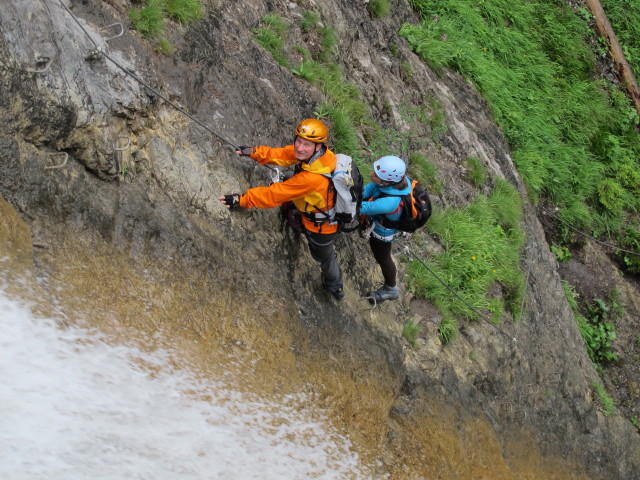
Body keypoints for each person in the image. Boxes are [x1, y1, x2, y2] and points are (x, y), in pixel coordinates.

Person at [219, 119, 345, 301]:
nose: (300, 148)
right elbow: (284, 154)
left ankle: (336, 288)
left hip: (322, 228)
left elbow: (275, 194)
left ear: (318, 146)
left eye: (306, 144)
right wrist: (254, 152)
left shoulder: (313, 177)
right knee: (288, 175)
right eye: (298, 141)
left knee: (324, 258)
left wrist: (242, 199)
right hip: (313, 203)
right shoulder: (318, 157)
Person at [359, 155, 411, 304]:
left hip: (382, 232)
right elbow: (369, 189)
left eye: (375, 175)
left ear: (386, 181)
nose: (371, 174)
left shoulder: (389, 202)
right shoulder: (390, 183)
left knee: (383, 257)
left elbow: (361, 208)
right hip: (381, 219)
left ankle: (391, 289)